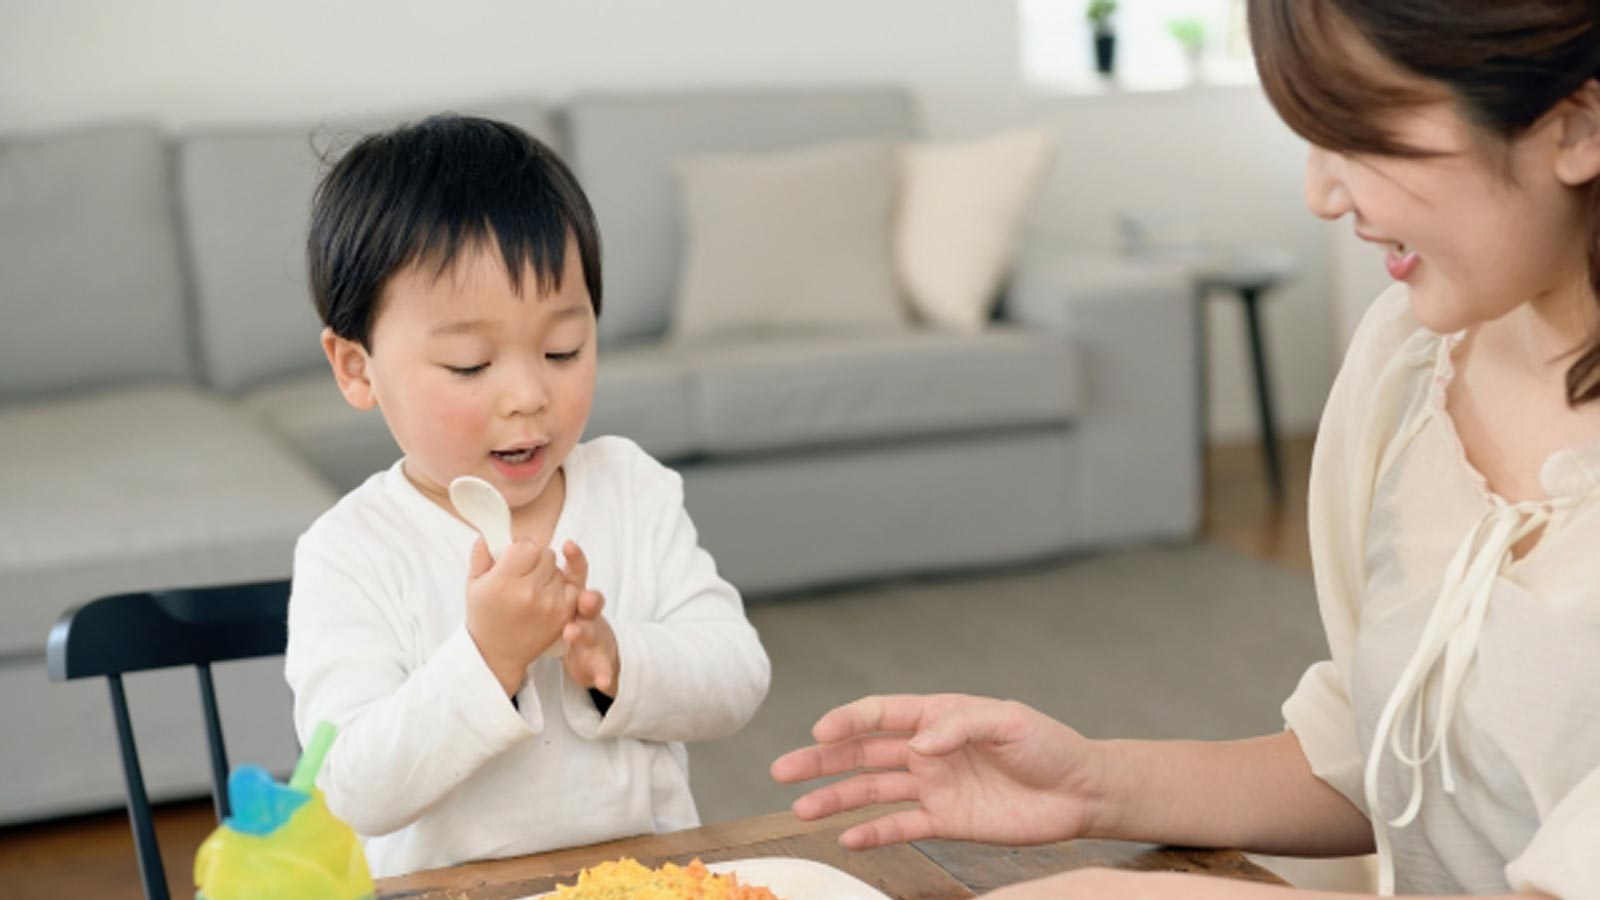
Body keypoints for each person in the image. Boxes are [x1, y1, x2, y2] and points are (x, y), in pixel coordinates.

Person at [771, 2, 1600, 896]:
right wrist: (1098, 786)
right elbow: (1396, 768)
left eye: (1357, 136)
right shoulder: (1409, 361)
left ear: (1577, 128)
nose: (1322, 194)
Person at [284, 114, 770, 878]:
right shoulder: (351, 551)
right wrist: (488, 658)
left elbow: (738, 675)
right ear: (356, 368)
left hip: (643, 883)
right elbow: (351, 789)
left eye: (562, 349)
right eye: (470, 364)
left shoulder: (631, 489)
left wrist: (618, 659)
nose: (527, 394)